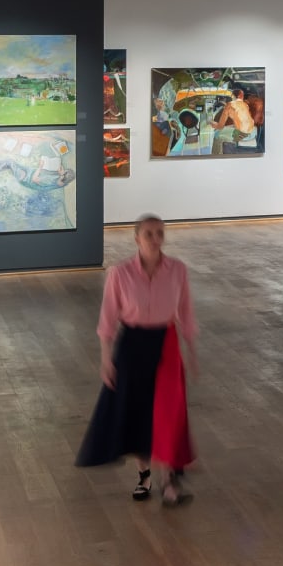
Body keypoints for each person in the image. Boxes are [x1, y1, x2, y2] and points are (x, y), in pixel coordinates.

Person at [76, 215, 198, 505]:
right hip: (132, 344)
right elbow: (107, 318)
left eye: (159, 233)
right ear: (136, 239)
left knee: (169, 412)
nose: (155, 239)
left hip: (166, 344)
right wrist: (106, 359)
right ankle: (144, 476)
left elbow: (186, 312)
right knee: (136, 411)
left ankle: (169, 480)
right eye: (148, 234)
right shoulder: (120, 273)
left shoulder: (177, 270)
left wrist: (192, 351)